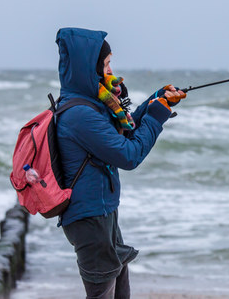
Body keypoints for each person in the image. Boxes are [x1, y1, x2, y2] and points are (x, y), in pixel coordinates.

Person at [54, 27, 186, 299]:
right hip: (90, 219)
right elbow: (128, 155)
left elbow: (126, 129)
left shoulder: (93, 103)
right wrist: (157, 115)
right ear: (88, 67)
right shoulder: (80, 114)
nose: (111, 70)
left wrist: (156, 100)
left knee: (120, 288)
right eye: (106, 63)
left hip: (103, 213)